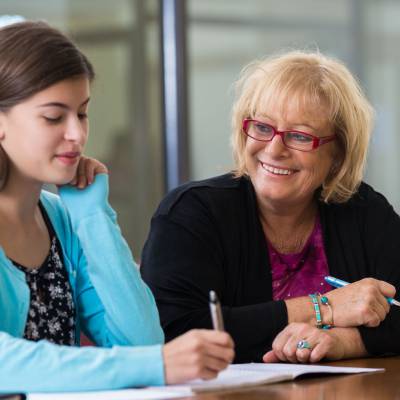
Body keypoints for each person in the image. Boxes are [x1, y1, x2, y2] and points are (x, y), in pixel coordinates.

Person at [0, 20, 234, 393]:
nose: (76, 134)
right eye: (53, 116)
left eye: (82, 113)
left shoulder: (62, 219)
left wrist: (93, 215)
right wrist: (154, 363)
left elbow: (140, 343)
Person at [141, 50, 400, 364]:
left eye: (299, 136)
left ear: (337, 154)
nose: (275, 149)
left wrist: (343, 341)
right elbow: (173, 332)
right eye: (263, 127)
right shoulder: (192, 213)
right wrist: (324, 308)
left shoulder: (364, 212)